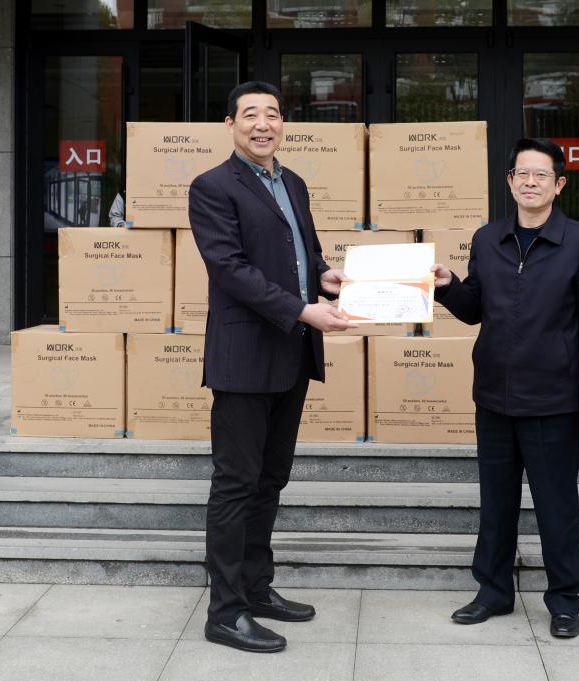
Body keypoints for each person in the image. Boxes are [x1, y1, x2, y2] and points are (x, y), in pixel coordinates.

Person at [188, 81, 356, 654]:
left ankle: (257, 588)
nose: (264, 124)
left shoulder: (294, 182)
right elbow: (230, 269)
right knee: (236, 484)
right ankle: (225, 611)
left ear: (283, 124)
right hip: (244, 358)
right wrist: (304, 309)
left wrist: (324, 275)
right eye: (251, 115)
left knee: (270, 480)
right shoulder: (212, 187)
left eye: (273, 114)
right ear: (230, 124)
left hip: (291, 355)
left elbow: (302, 253)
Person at [431, 137, 579, 639]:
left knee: (557, 505)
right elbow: (475, 309)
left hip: (553, 398)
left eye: (541, 175)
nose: (531, 182)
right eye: (522, 174)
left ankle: (564, 601)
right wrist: (448, 285)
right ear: (510, 181)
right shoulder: (488, 238)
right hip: (493, 395)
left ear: (559, 184)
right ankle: (492, 592)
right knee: (496, 503)